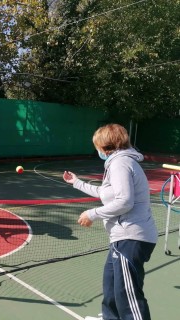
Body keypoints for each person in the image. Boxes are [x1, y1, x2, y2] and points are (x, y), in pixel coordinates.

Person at [62, 124, 157, 320]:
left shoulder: (120, 163)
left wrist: (92, 214)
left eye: (97, 146)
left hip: (131, 237)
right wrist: (76, 182)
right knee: (112, 286)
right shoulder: (117, 163)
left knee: (127, 295)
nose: (96, 150)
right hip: (121, 238)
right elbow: (107, 194)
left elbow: (124, 201)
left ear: (105, 146)